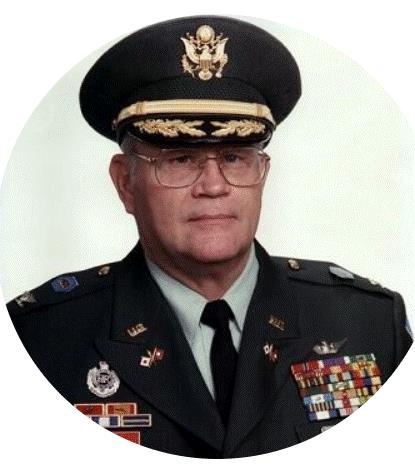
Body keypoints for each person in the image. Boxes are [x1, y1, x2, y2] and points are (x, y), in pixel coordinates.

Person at [7, 15, 412, 458]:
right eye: (180, 159)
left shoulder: (369, 324)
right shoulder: (38, 339)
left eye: (235, 157)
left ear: (263, 174)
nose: (214, 186)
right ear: (125, 183)